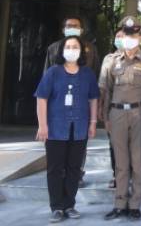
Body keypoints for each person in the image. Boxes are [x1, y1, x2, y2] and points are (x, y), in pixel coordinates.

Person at [34, 36, 99, 223]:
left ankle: (69, 205)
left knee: (74, 168)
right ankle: (56, 207)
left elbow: (93, 99)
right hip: (56, 128)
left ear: (81, 51)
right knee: (55, 169)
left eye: (75, 46)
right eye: (68, 47)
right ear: (62, 51)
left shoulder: (87, 74)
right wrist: (42, 125)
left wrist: (93, 123)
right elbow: (41, 98)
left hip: (79, 129)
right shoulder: (53, 72)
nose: (71, 50)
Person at [100, 16, 141, 221]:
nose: (129, 39)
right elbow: (106, 91)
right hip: (116, 114)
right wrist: (105, 117)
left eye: (134, 35)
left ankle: (135, 205)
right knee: (121, 163)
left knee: (137, 162)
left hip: (140, 114)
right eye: (126, 35)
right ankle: (119, 204)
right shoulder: (111, 60)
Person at [44, 15, 101, 187]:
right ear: (63, 29)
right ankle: (59, 173)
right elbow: (46, 76)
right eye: (68, 25)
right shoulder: (53, 48)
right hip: (58, 104)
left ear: (81, 30)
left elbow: (96, 74)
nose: (72, 28)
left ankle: (77, 173)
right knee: (57, 142)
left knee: (79, 140)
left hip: (81, 103)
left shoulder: (90, 49)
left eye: (75, 26)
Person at [98, 26, 124, 189]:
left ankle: (130, 176)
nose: (120, 39)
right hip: (112, 109)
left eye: (123, 36)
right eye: (118, 36)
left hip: (134, 112)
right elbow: (102, 86)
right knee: (114, 145)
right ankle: (117, 176)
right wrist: (101, 108)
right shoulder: (108, 59)